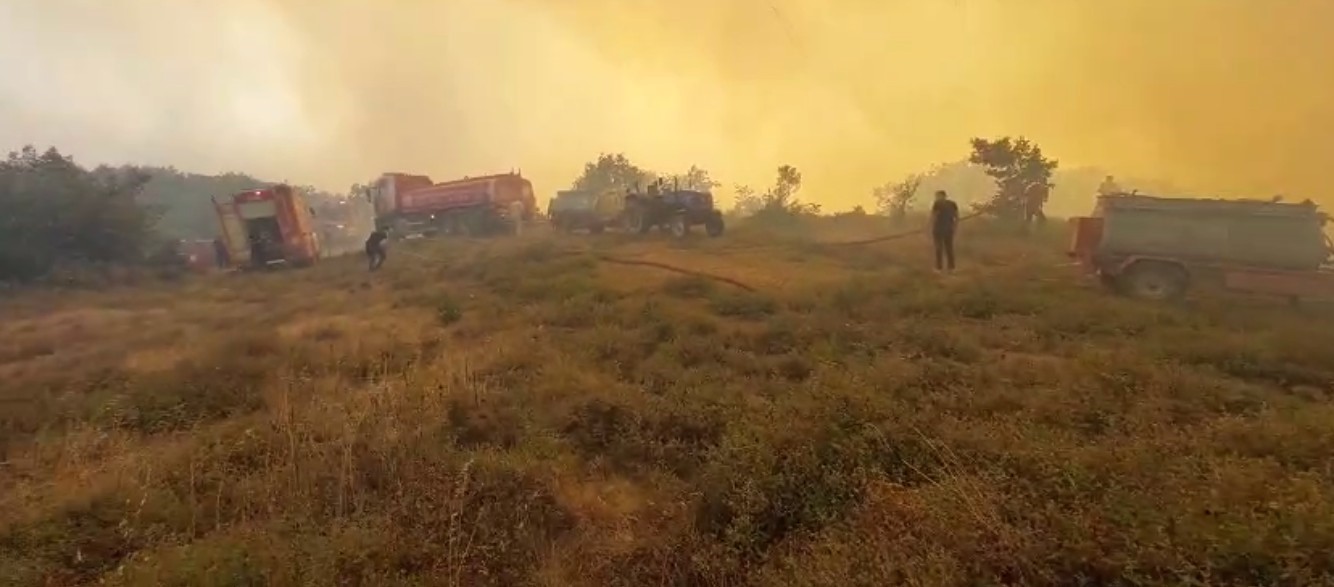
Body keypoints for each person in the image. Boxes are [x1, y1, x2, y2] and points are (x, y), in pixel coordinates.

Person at [929, 190, 959, 273]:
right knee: (949, 248)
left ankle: (939, 268)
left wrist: (929, 226)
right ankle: (951, 268)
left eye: (937, 196)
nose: (936, 198)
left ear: (942, 196)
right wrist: (955, 227)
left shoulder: (937, 204)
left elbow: (933, 216)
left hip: (938, 229)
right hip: (949, 229)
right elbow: (956, 216)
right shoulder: (953, 204)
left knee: (939, 248)